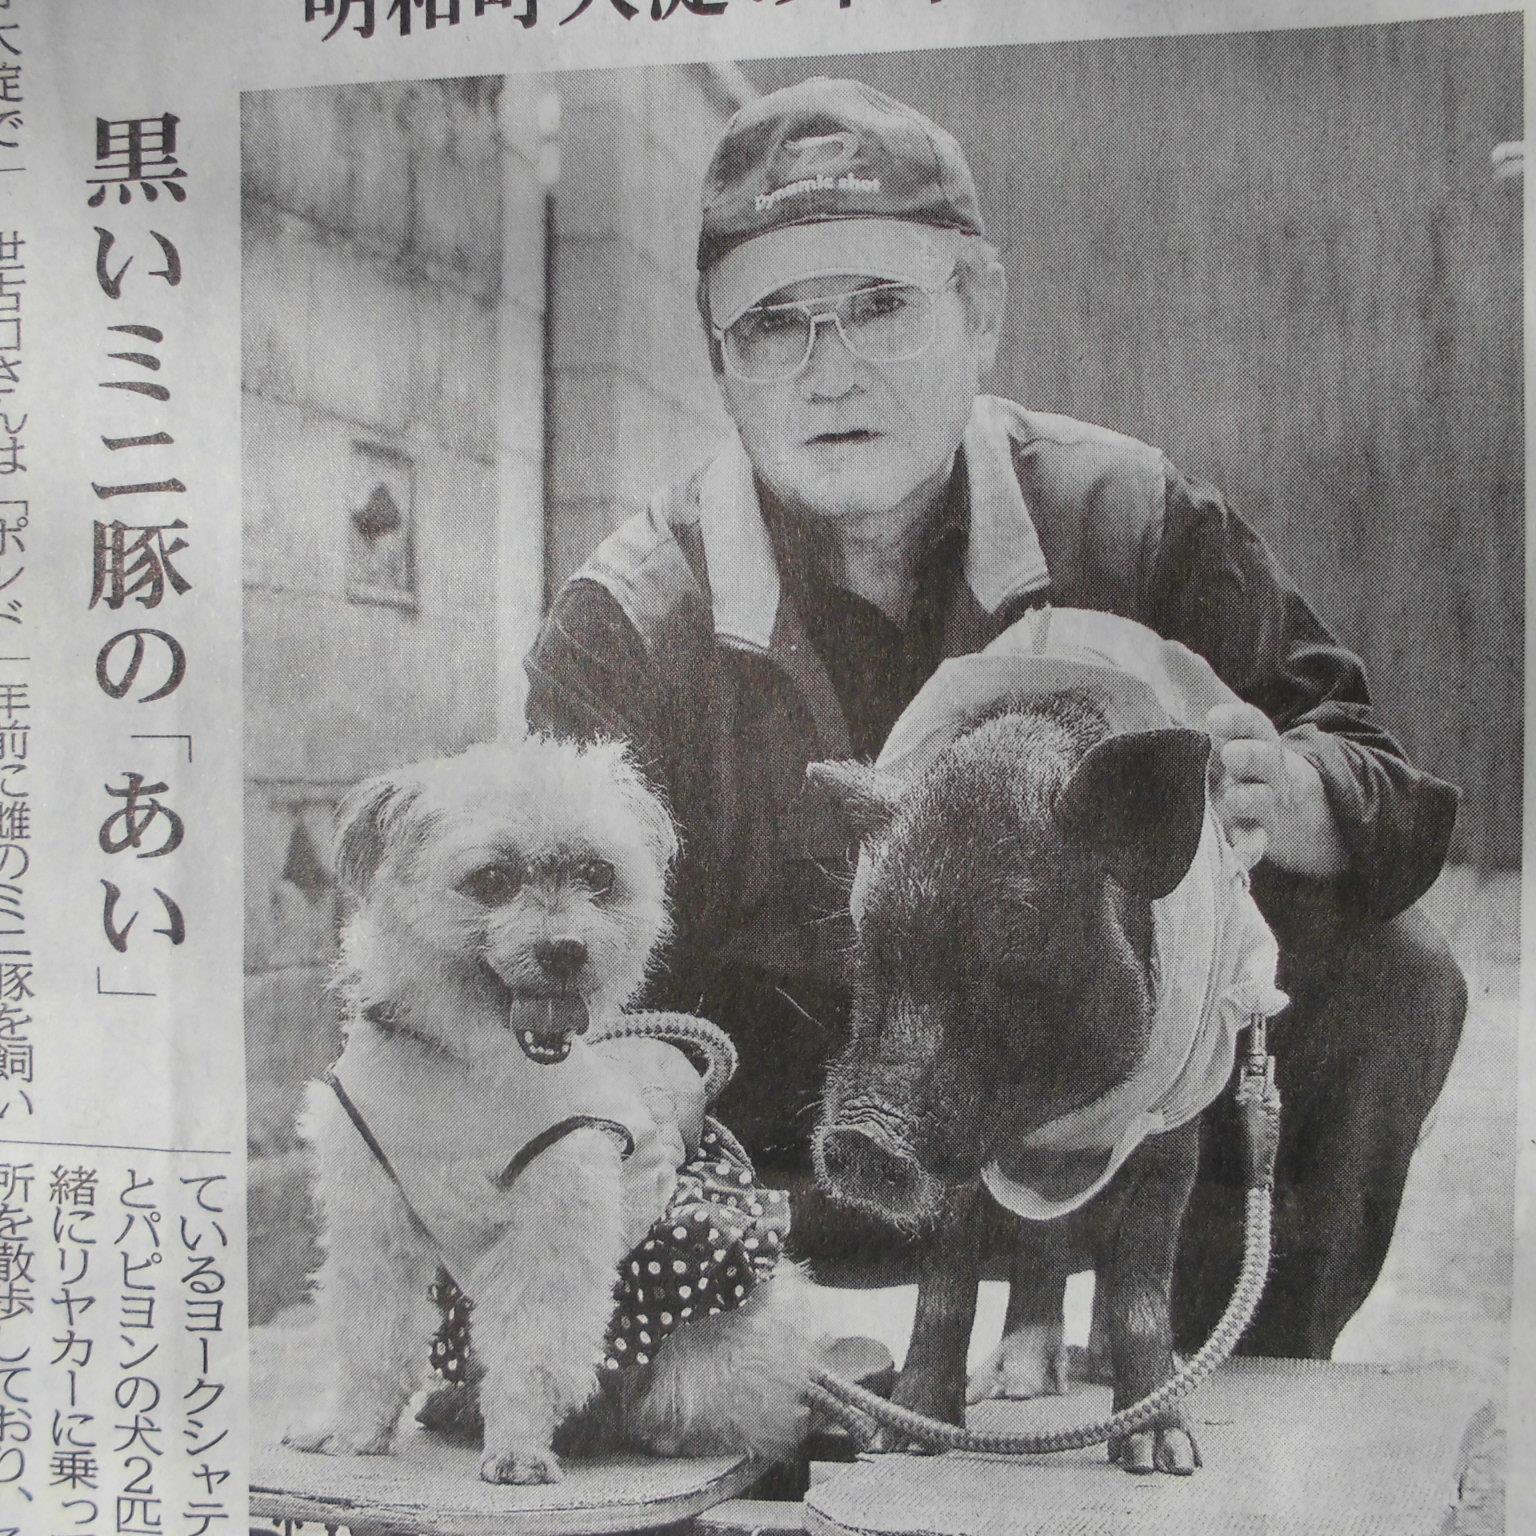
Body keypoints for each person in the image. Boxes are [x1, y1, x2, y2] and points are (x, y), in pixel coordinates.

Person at [523, 77, 1466, 1359]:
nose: (829, 371)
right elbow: (540, 949)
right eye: (773, 327)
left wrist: (1296, 793)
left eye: (879, 307)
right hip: (805, 1133)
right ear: (720, 362)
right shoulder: (628, 622)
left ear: (983, 312)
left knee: (1394, 975)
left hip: (1090, 1087)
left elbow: (1386, 787)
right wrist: (633, 1070)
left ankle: (1223, 1381)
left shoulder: (1131, 519)